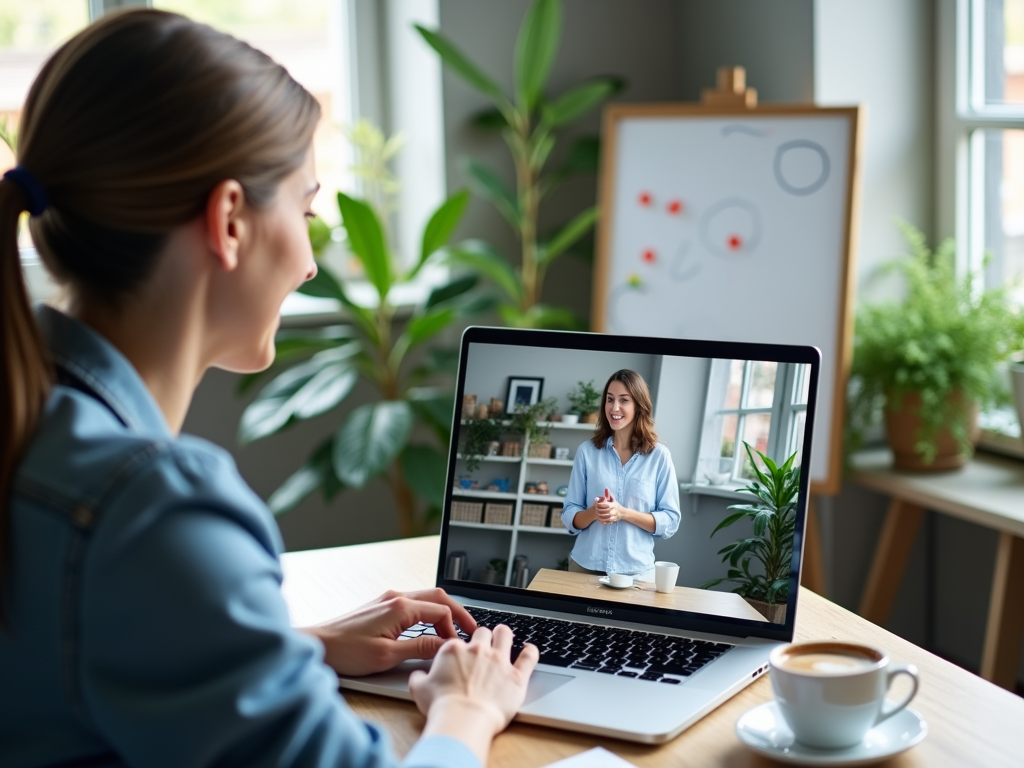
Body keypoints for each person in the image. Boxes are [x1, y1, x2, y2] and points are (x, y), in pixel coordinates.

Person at [0, 10, 536, 768]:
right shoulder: (152, 510)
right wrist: (467, 709)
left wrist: (294, 648)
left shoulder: (34, 428)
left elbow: (65, 661)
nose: (312, 263)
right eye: (307, 208)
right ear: (229, 222)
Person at [560, 369, 681, 582]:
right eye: (610, 399)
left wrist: (623, 513)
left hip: (637, 573)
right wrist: (595, 513)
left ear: (639, 406)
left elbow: (670, 520)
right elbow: (570, 513)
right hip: (585, 567)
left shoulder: (659, 456)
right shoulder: (587, 452)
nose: (614, 408)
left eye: (624, 400)